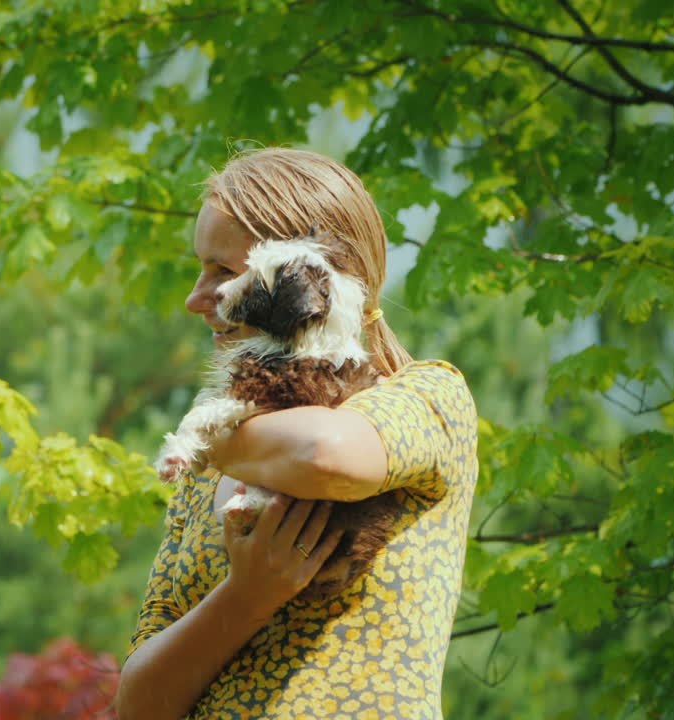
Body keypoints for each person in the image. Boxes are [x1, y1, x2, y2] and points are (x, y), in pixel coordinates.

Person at [115, 148, 478, 720]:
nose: (194, 298)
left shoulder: (428, 397)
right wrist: (246, 598)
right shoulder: (199, 478)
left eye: (224, 273)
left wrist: (207, 438)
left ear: (308, 278)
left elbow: (324, 453)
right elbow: (138, 705)